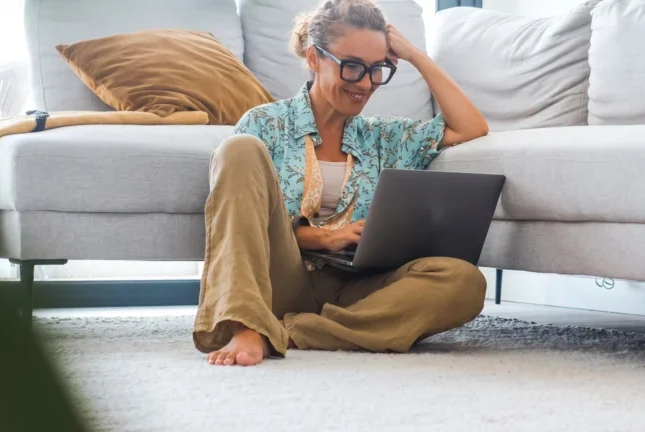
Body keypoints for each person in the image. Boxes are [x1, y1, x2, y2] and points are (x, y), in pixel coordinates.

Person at [193, 0, 490, 366]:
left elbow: (471, 127)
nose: (365, 83)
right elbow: (242, 223)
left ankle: (288, 331)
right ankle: (246, 324)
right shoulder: (264, 125)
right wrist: (321, 237)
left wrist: (416, 56)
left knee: (464, 281)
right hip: (281, 280)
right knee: (237, 149)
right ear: (314, 58)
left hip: (355, 288)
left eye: (377, 69)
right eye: (352, 67)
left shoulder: (386, 137)